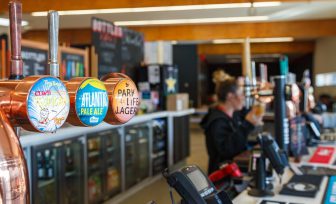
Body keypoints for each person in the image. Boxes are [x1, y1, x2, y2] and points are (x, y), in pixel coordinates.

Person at [200, 78, 264, 174]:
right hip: (222, 174)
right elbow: (227, 150)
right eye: (241, 94)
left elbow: (249, 112)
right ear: (230, 97)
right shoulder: (217, 122)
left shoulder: (234, 114)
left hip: (235, 167)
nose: (243, 97)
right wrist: (248, 124)